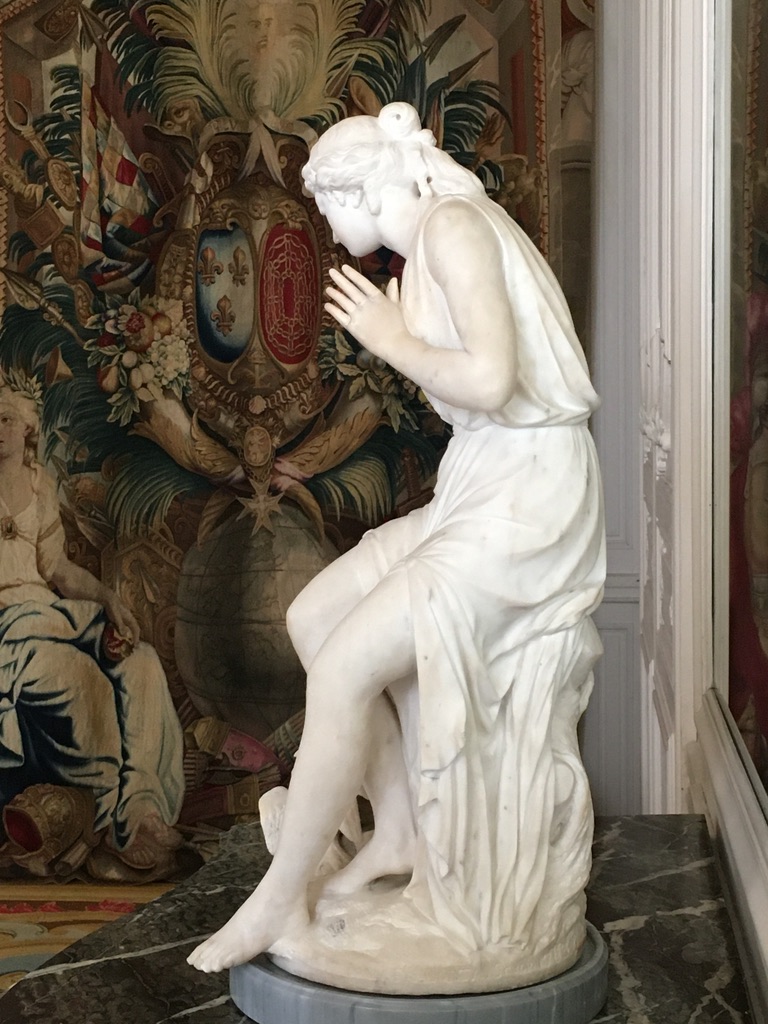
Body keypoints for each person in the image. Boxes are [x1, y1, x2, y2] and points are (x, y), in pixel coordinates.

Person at [188, 102, 605, 989]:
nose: (327, 229)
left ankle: (280, 895)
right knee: (313, 618)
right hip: (482, 484)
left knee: (343, 669)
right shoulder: (425, 253)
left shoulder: (453, 229)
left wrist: (391, 340)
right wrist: (398, 332)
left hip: (528, 501)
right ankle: (402, 834)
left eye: (326, 207)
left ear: (364, 189)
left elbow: (492, 378)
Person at [0, 376, 185, 877]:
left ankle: (140, 810)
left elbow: (57, 569)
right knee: (83, 681)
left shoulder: (39, 486)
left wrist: (107, 598)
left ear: (27, 428)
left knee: (139, 658)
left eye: (7, 420)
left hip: (47, 613)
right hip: (8, 631)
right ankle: (100, 824)